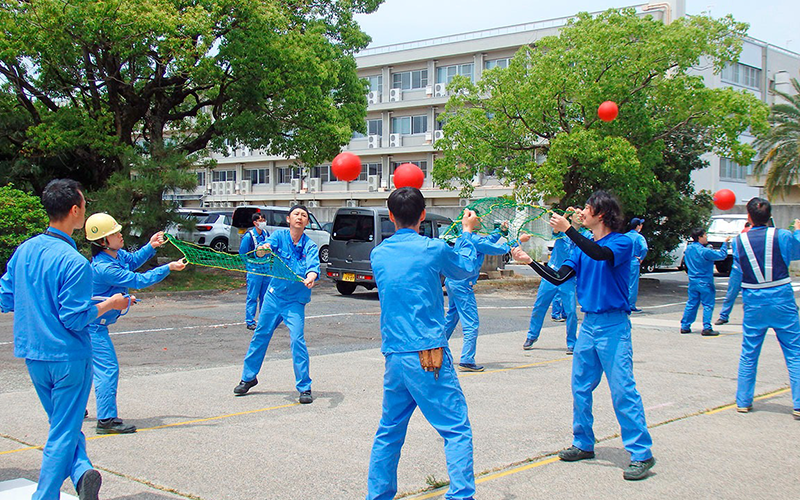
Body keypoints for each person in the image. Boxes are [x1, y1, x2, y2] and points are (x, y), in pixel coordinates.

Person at [511, 190, 655, 481]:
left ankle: (641, 453)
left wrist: (569, 230)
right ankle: (583, 443)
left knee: (622, 389)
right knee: (580, 387)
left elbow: (600, 254)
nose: (582, 212)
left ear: (601, 214)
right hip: (589, 325)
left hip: (613, 326)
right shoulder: (581, 248)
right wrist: (529, 261)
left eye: (587, 208)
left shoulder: (622, 242)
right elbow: (558, 277)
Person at [0, 179, 130, 500]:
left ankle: (82, 469)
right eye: (84, 206)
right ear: (75, 211)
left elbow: (5, 298)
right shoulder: (74, 262)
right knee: (62, 431)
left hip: (33, 354)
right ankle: (45, 496)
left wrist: (36, 300)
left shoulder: (25, 250)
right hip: (68, 357)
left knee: (63, 424)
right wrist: (111, 304)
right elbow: (74, 317)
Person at [366, 187, 480, 500]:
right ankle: (460, 495)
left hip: (395, 355)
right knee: (455, 427)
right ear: (423, 216)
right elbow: (467, 269)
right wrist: (468, 234)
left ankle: (378, 495)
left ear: (390, 217)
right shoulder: (434, 248)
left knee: (389, 430)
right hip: (428, 353)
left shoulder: (379, 254)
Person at [85, 213, 186, 434]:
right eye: (115, 234)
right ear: (103, 242)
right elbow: (138, 280)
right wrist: (167, 268)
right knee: (106, 368)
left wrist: (150, 246)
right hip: (91, 326)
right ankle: (106, 420)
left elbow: (131, 261)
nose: (120, 235)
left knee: (85, 368)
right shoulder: (105, 268)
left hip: (92, 323)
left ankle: (74, 407)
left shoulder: (114, 256)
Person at [234, 205, 320, 404]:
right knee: (260, 335)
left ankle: (304, 387)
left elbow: (313, 267)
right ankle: (248, 378)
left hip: (295, 301)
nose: (300, 218)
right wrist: (263, 250)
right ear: (289, 219)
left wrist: (311, 276)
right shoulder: (279, 236)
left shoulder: (310, 246)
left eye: (304, 216)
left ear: (307, 222)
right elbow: (266, 248)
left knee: (297, 340)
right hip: (274, 297)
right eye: (296, 214)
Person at [733, 198, 800, 420]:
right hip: (781, 297)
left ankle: (743, 401)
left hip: (754, 299)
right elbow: (796, 252)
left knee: (749, 351)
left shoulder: (738, 241)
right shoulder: (782, 235)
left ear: (749, 217)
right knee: (794, 352)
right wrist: (798, 232)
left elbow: (737, 273)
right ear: (770, 215)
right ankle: (798, 404)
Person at [443, 222, 511, 372]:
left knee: (452, 317)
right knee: (471, 323)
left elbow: (486, 242)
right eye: (478, 218)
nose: (480, 221)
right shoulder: (474, 240)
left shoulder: (465, 237)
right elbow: (494, 249)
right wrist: (513, 244)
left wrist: (501, 231)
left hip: (452, 281)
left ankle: (437, 347)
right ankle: (467, 359)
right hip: (463, 284)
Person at [523, 223, 579, 355]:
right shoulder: (563, 232)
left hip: (568, 277)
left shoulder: (583, 235)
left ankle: (572, 342)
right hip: (551, 273)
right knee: (539, 306)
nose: (578, 216)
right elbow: (555, 230)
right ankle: (532, 336)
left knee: (571, 311)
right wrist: (565, 216)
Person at [680, 228, 730, 336]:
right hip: (705, 280)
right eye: (705, 235)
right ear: (700, 237)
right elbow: (722, 255)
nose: (706, 237)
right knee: (708, 304)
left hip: (693, 280)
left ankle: (685, 325)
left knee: (692, 303)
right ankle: (707, 326)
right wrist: (725, 244)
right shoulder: (705, 251)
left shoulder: (689, 249)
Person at [716, 222, 750, 326]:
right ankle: (723, 316)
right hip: (738, 270)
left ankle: (749, 318)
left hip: (748, 270)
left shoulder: (741, 239)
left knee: (749, 296)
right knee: (731, 294)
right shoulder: (738, 240)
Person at [240, 212, 270, 330]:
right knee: (253, 296)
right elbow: (243, 253)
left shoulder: (266, 234)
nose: (262, 222)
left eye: (263, 219)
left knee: (265, 296)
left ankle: (264, 320)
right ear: (255, 222)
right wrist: (249, 265)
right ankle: (250, 320)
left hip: (266, 268)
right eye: (260, 220)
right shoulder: (249, 236)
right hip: (254, 269)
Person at [625, 218, 648, 312]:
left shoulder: (625, 236)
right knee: (632, 284)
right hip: (634, 261)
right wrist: (641, 258)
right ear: (637, 226)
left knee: (624, 283)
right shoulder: (639, 237)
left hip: (624, 262)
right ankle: (631, 305)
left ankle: (623, 303)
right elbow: (644, 248)